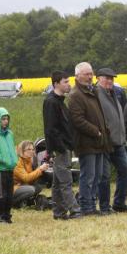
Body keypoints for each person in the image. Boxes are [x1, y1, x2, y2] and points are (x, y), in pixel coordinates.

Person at [68, 61, 110, 216]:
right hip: (86, 143)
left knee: (97, 176)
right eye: (86, 74)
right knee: (88, 176)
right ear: (77, 76)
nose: (90, 77)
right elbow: (77, 120)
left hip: (98, 142)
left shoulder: (92, 91)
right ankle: (86, 207)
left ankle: (92, 204)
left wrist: (104, 131)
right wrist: (96, 131)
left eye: (91, 73)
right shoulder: (75, 95)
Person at [95, 67, 127, 214]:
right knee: (104, 176)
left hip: (118, 142)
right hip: (104, 142)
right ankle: (104, 207)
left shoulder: (115, 93)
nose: (110, 81)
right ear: (98, 78)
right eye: (107, 78)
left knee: (125, 170)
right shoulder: (95, 94)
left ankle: (119, 203)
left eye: (112, 78)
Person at [43, 70, 81, 220]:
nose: (68, 84)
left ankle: (59, 212)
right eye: (65, 82)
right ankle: (75, 210)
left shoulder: (59, 101)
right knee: (66, 181)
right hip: (61, 148)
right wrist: (60, 147)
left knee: (58, 182)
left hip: (64, 146)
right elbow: (50, 129)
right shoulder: (51, 102)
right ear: (56, 84)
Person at [12, 140, 51, 209]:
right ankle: (14, 203)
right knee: (31, 189)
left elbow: (31, 176)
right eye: (29, 149)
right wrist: (40, 169)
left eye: (33, 149)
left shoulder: (28, 160)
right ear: (22, 150)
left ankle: (26, 201)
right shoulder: (17, 161)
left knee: (39, 186)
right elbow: (26, 178)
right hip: (14, 188)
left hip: (23, 185)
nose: (31, 151)